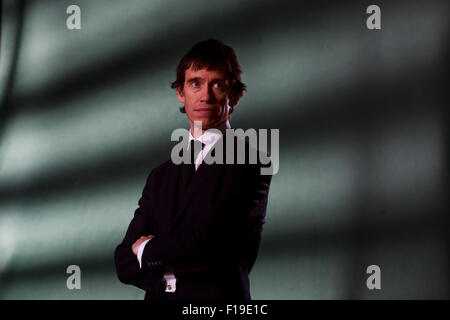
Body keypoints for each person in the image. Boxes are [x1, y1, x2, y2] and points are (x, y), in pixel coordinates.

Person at [114, 38, 272, 300]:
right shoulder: (159, 177)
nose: (205, 95)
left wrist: (147, 250)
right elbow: (123, 261)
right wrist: (171, 269)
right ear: (181, 92)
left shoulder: (250, 163)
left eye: (217, 84)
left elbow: (206, 247)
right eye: (195, 83)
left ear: (234, 95)